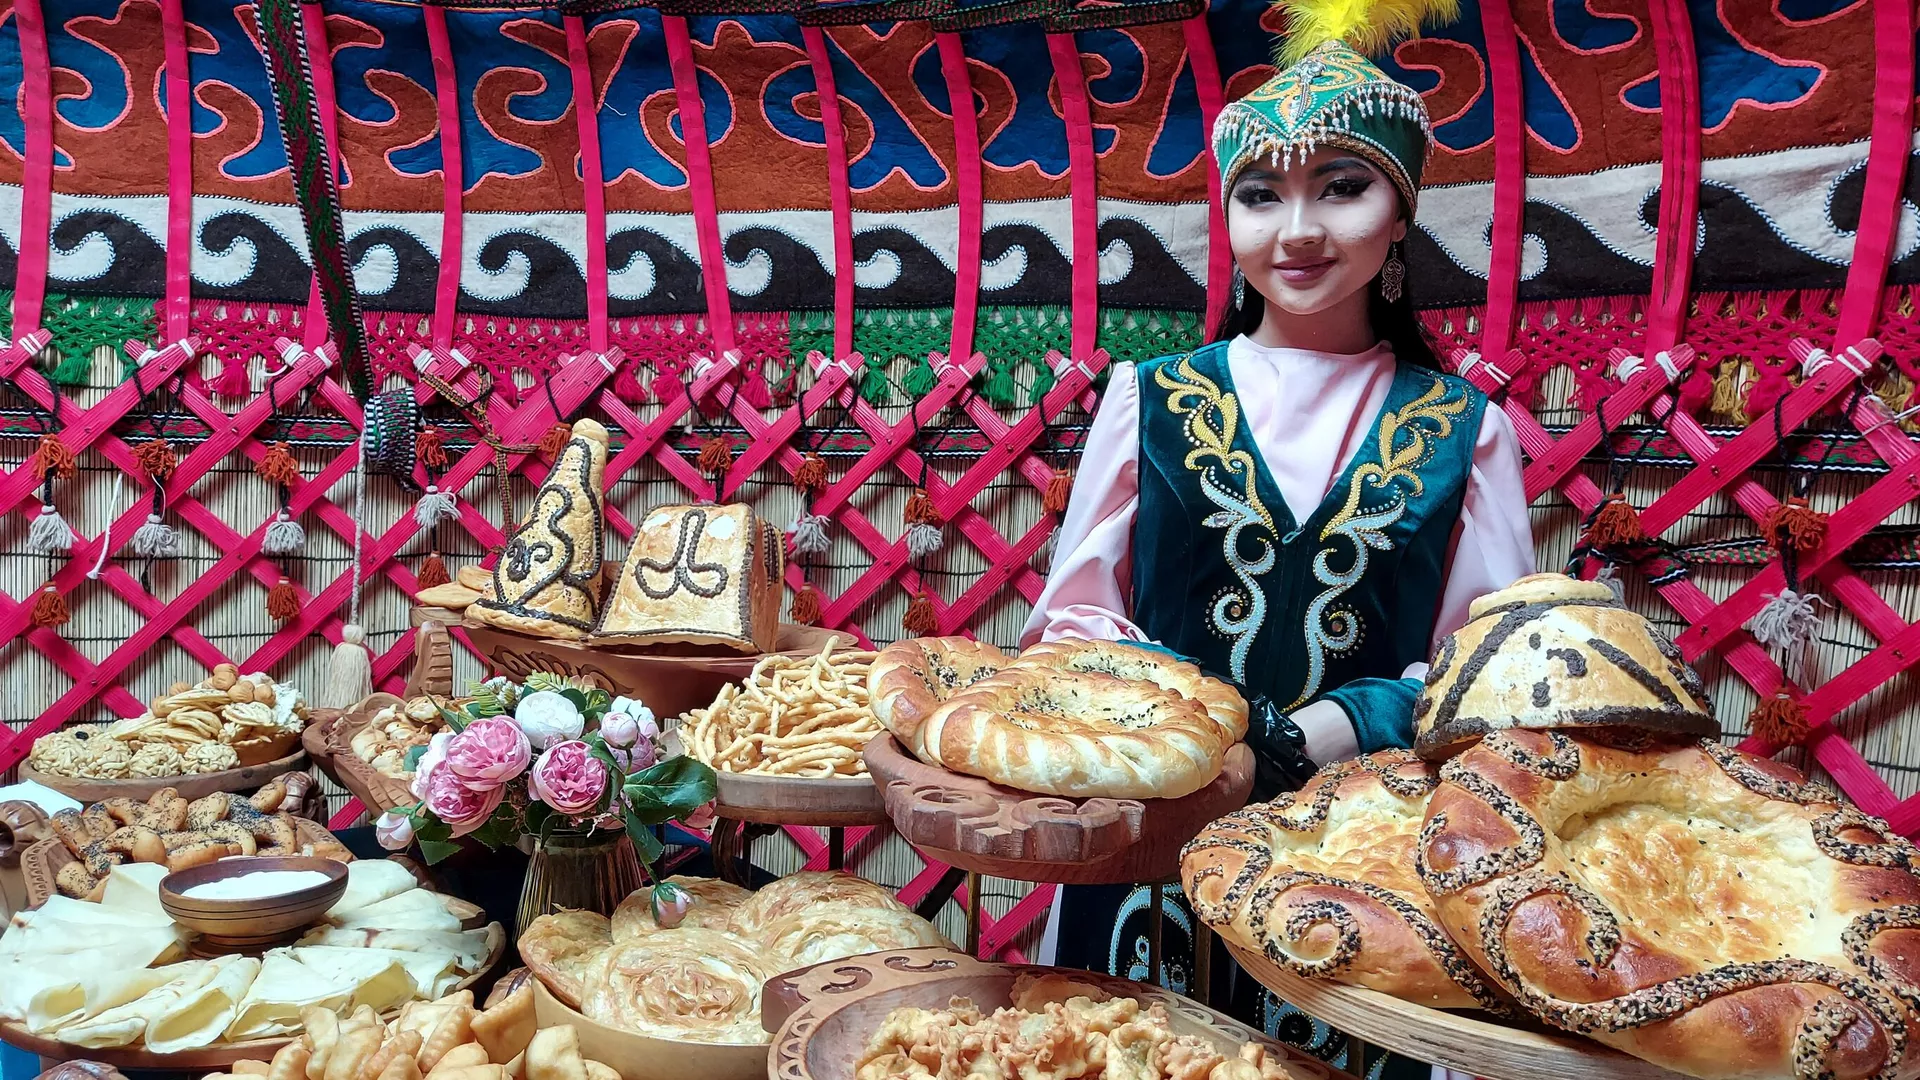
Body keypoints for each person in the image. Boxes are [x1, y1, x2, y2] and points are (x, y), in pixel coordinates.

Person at [1024, 3, 1533, 1075]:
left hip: (1358, 866)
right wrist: (1203, 728)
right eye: (1260, 195)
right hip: (1148, 847)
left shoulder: (1463, 431)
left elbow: (1484, 673)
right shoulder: (1151, 398)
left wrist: (1318, 733)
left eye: (1341, 188)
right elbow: (1074, 619)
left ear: (1400, 214)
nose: (1297, 230)